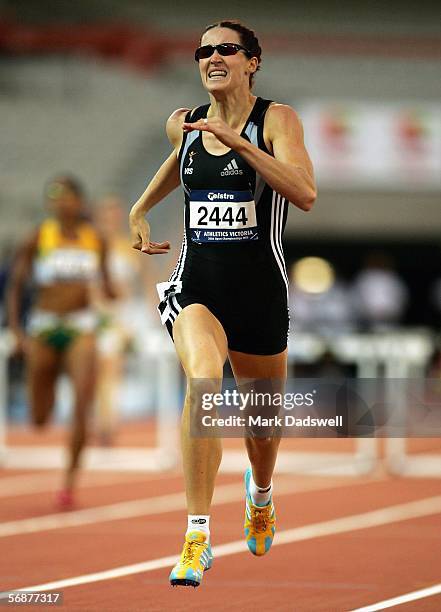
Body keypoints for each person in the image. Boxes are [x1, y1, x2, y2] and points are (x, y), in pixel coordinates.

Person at [129, 20, 316, 587]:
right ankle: (196, 536)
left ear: (252, 61)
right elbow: (179, 163)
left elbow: (305, 193)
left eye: (225, 50)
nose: (212, 57)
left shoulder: (276, 120)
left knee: (262, 431)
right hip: (198, 287)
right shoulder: (181, 124)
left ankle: (260, 494)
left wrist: (239, 144)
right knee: (204, 383)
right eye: (203, 51)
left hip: (259, 292)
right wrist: (140, 209)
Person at [7, 176, 114, 509]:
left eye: (66, 197)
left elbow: (108, 286)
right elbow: (16, 284)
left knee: (83, 400)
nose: (60, 203)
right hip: (44, 325)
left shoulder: (95, 239)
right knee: (39, 417)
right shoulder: (40, 236)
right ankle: (45, 403)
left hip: (80, 326)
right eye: (54, 198)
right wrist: (16, 329)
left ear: (79, 202)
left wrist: (113, 292)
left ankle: (68, 482)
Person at [93, 195, 156, 446]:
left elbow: (147, 279)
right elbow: (90, 286)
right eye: (106, 214)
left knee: (112, 368)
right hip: (100, 316)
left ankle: (108, 423)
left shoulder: (128, 246)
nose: (110, 219)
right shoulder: (92, 246)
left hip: (128, 315)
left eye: (114, 213)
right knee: (104, 370)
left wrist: (154, 309)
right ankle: (104, 421)